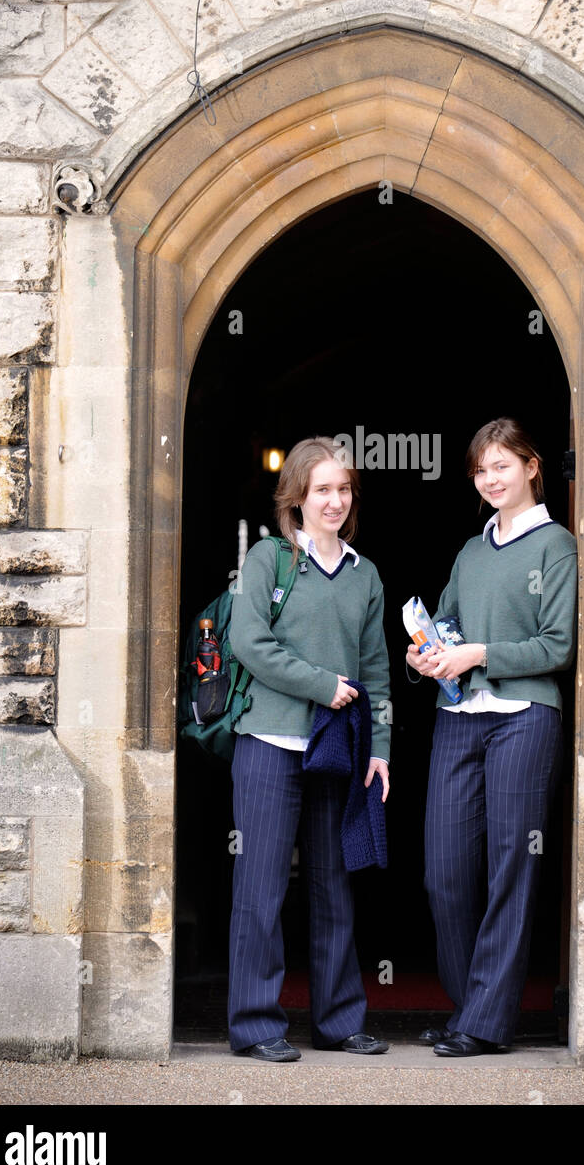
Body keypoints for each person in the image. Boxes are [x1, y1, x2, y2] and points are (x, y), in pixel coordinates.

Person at [407, 417, 577, 1057]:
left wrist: (479, 652)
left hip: (525, 719)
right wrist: (424, 655)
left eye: (503, 465)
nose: (491, 478)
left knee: (512, 868)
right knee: (444, 873)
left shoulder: (555, 547)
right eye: (482, 469)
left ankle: (483, 1023)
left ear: (533, 467)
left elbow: (557, 646)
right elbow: (444, 625)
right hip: (458, 719)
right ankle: (467, 1007)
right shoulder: (470, 552)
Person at [227, 436, 391, 1061]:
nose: (334, 500)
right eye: (321, 489)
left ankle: (339, 1019)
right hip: (269, 742)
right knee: (261, 886)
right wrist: (324, 686)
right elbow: (249, 643)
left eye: (343, 489)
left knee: (332, 884)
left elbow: (375, 669)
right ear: (296, 496)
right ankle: (256, 1026)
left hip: (338, 748)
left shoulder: (364, 573)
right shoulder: (270, 560)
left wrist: (381, 748)